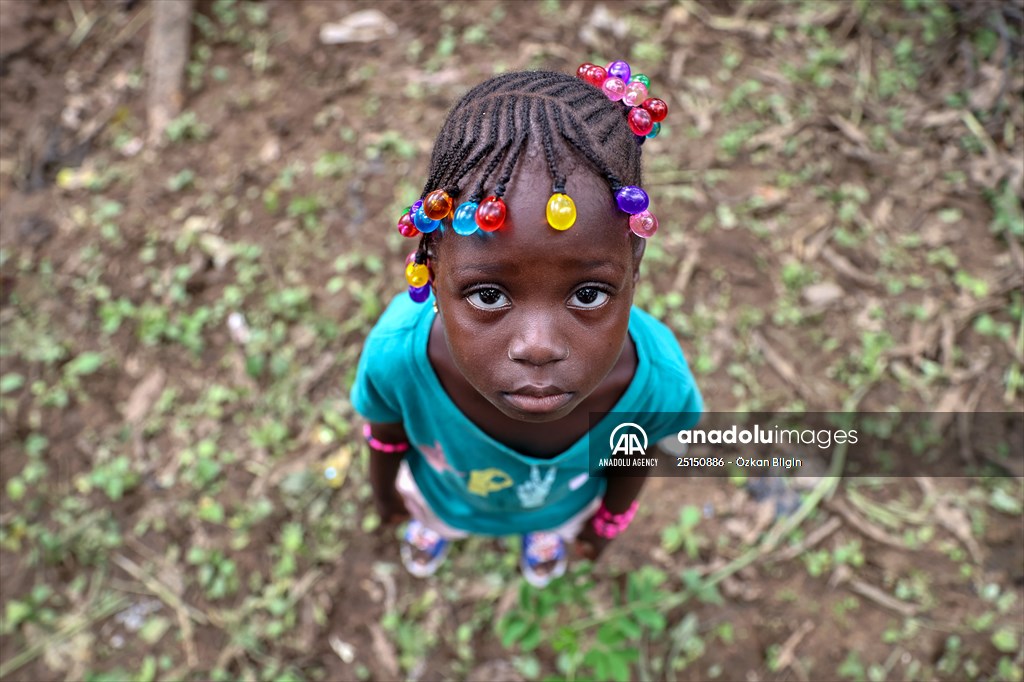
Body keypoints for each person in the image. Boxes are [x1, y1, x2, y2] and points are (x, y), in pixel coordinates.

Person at [350, 63, 702, 587]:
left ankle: (543, 536)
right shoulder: (396, 357)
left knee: (549, 522)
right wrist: (387, 503)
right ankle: (435, 528)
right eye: (488, 295)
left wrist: (605, 526)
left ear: (634, 266)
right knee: (435, 514)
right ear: (433, 265)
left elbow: (634, 461)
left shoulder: (656, 384)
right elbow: (385, 440)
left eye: (588, 294)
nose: (538, 347)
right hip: (445, 497)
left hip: (562, 507)